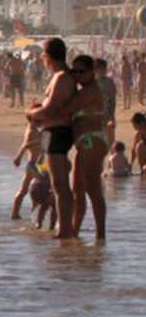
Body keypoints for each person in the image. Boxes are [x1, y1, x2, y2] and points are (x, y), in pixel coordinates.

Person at [51, 55, 107, 240]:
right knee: (77, 190)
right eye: (74, 71)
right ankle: (74, 233)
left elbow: (66, 109)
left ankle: (100, 235)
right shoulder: (83, 90)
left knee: (93, 189)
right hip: (83, 143)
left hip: (92, 140)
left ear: (91, 72)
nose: (77, 75)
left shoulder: (89, 91)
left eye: (81, 71)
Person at [26, 38, 76, 240]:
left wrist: (30, 114)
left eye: (43, 56)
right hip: (52, 132)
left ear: (47, 57)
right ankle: (64, 228)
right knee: (59, 185)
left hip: (58, 133)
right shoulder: (59, 76)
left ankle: (64, 230)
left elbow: (51, 107)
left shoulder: (62, 77)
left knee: (60, 186)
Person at [10, 122, 43, 220]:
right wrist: (18, 158)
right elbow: (26, 145)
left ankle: (31, 212)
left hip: (40, 164)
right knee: (28, 190)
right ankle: (15, 213)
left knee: (31, 189)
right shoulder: (31, 131)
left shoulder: (36, 129)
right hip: (33, 164)